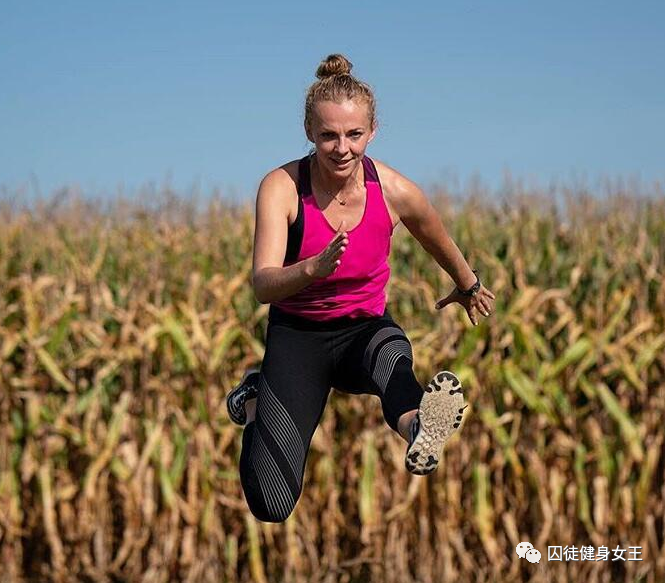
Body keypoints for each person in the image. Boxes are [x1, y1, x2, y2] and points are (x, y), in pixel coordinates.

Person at [226, 54, 495, 523]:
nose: (342, 148)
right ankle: (253, 398)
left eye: (354, 134)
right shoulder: (282, 188)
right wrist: (311, 269)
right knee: (271, 504)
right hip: (298, 340)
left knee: (393, 356)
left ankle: (419, 429)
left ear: (372, 132)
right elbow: (263, 285)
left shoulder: (395, 190)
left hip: (363, 331)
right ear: (309, 131)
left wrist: (468, 285)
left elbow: (437, 237)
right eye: (329, 135)